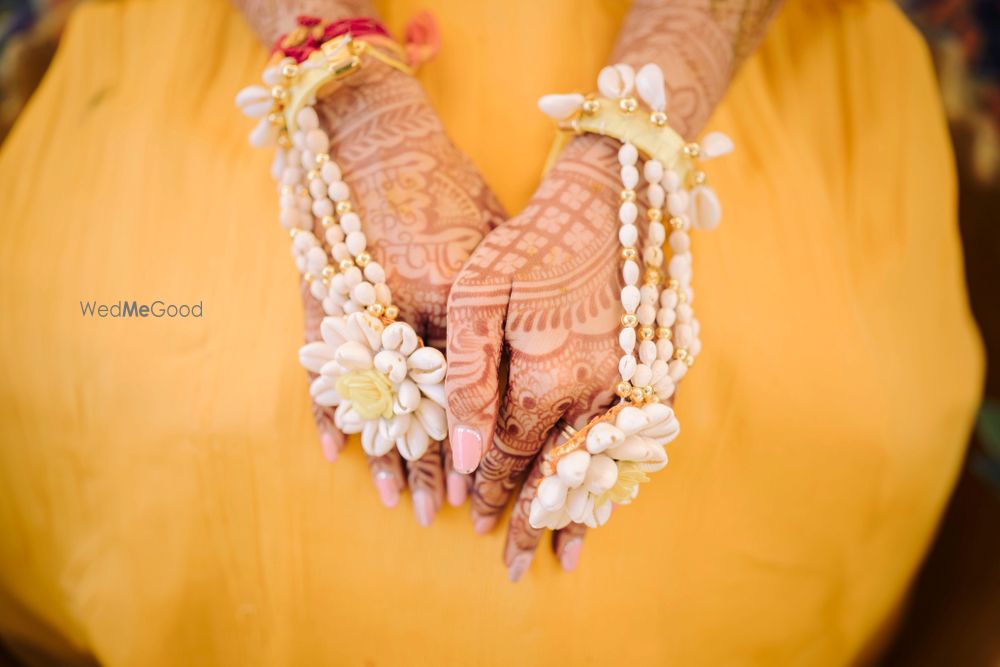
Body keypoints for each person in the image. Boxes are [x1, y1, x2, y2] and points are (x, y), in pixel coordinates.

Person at [0, 0, 983, 664]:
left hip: (713, 35)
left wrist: (631, 144)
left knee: (806, 401)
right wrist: (353, 99)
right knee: (170, 374)